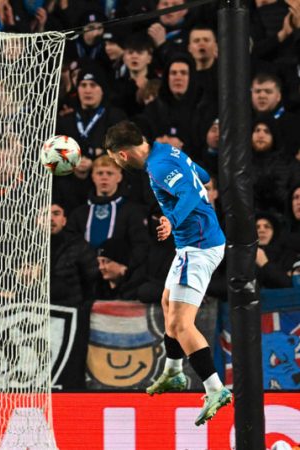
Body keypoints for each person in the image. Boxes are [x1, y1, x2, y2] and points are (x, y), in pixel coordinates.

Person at [105, 120, 231, 426]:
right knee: (166, 301)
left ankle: (215, 388)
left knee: (181, 323)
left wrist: (172, 219)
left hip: (198, 247)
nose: (116, 164)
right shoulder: (166, 151)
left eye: (114, 159)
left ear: (122, 155)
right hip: (194, 243)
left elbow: (188, 192)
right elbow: (202, 176)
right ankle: (174, 371)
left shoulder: (158, 167)